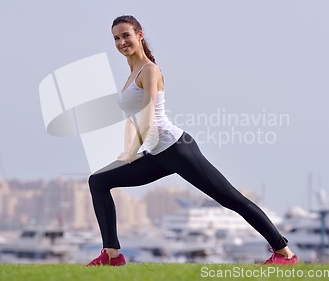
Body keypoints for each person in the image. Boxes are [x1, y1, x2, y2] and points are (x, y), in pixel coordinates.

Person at [86, 15, 297, 266]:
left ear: (139, 35)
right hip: (155, 155)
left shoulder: (150, 70)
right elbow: (132, 120)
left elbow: (149, 115)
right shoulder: (131, 74)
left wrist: (133, 152)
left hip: (177, 149)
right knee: (98, 181)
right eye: (116, 38)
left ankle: (284, 254)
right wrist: (126, 152)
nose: (121, 42)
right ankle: (111, 254)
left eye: (126, 35)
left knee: (230, 199)